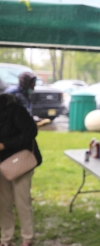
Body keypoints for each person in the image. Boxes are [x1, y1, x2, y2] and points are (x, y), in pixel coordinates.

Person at [0, 94, 43, 246]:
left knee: (22, 200)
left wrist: (4, 145)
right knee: (3, 203)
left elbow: (30, 132)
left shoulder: (16, 110)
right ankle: (6, 239)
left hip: (20, 162)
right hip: (1, 164)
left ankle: (27, 238)